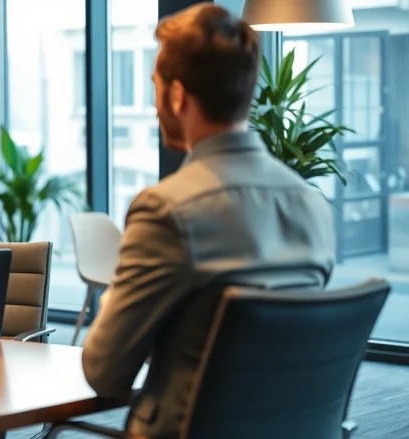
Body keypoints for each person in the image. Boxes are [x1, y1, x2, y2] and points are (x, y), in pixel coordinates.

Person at [81, 3, 336, 437]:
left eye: (156, 85)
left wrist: (115, 294)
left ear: (177, 96)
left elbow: (104, 371)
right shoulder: (311, 204)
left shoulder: (168, 210)